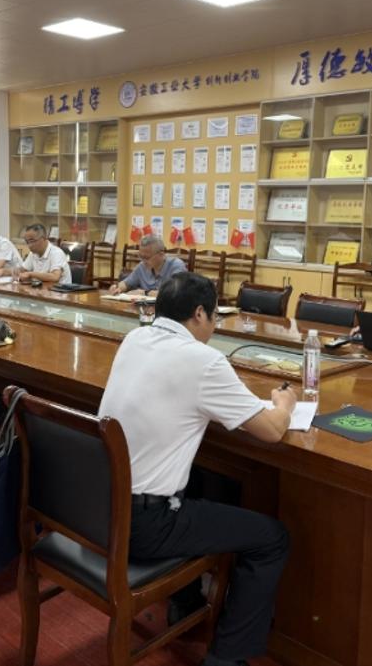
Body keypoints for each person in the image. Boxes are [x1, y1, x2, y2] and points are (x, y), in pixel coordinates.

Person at [99, 272, 296, 666]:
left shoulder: (134, 338)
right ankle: (226, 658)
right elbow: (272, 431)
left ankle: (186, 604)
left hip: (99, 506)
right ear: (200, 313)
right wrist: (284, 406)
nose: (214, 326)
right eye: (215, 317)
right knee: (272, 538)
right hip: (145, 526)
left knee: (205, 481)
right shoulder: (204, 361)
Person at [108, 235, 187, 295]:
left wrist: (145, 293)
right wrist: (117, 287)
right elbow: (127, 283)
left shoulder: (176, 266)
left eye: (147, 257)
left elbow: (174, 293)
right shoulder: (142, 266)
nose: (143, 261)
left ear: (161, 254)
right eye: (140, 256)